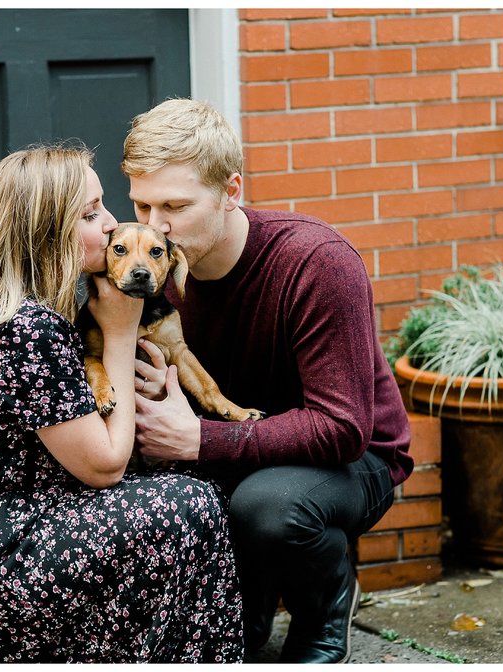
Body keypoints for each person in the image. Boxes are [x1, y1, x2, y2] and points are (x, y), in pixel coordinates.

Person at [0, 143, 244, 663]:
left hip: (22, 526)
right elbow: (106, 465)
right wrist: (123, 332)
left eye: (104, 206)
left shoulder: (44, 312)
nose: (111, 225)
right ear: (47, 232)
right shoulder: (23, 328)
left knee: (190, 492)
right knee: (184, 505)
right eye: (90, 214)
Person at [122, 99, 414, 664]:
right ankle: (248, 608)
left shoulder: (314, 262)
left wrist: (199, 442)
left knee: (269, 506)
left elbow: (343, 427)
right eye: (141, 203)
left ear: (232, 190)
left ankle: (323, 611)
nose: (155, 225)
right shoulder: (148, 268)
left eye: (175, 206)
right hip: (237, 445)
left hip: (353, 459)